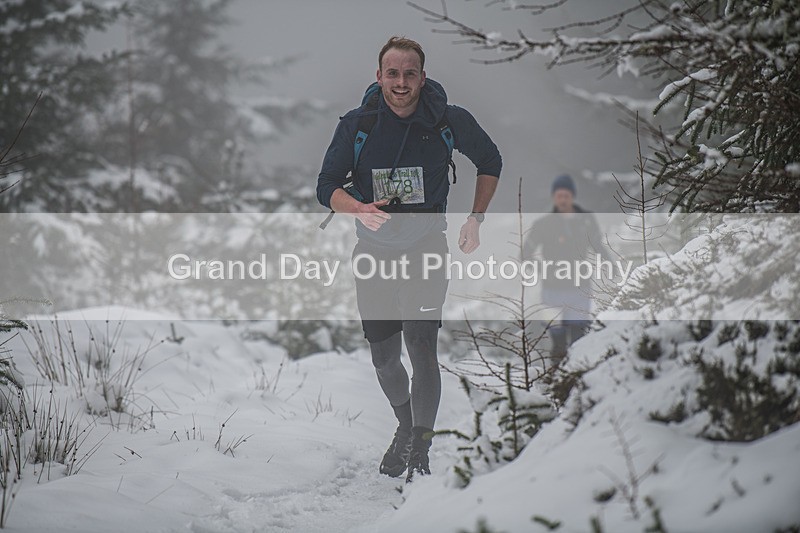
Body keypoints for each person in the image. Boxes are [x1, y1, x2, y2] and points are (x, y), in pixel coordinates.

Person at [316, 36, 501, 482]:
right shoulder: (357, 125)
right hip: (374, 257)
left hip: (425, 251)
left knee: (421, 346)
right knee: (384, 358)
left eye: (410, 73)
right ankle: (404, 425)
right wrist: (358, 208)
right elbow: (326, 188)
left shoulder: (447, 120)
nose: (401, 82)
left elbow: (490, 159)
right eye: (393, 73)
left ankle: (420, 448)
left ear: (423, 76)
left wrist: (475, 218)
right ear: (379, 76)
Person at [524, 174, 609, 362]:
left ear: (573, 196)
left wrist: (610, 264)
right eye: (559, 195)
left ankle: (579, 379)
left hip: (580, 288)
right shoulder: (543, 224)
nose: (562, 199)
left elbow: (598, 245)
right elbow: (525, 254)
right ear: (554, 197)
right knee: (558, 342)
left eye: (566, 195)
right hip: (551, 290)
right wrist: (540, 268)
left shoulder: (586, 220)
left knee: (579, 339)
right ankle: (557, 382)